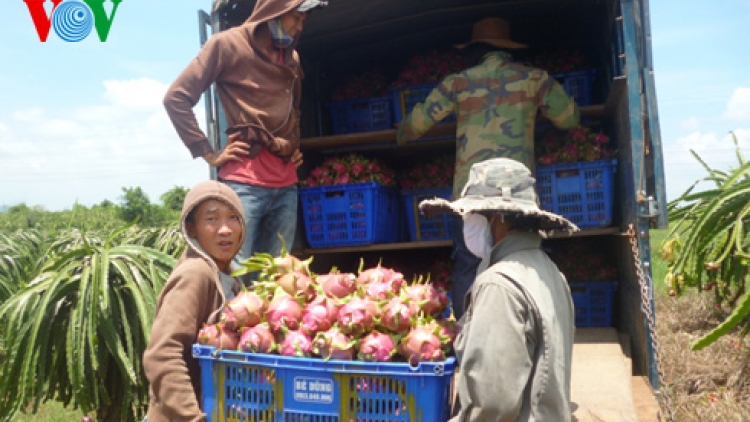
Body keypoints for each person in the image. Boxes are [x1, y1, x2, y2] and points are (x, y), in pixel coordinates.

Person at [396, 17, 581, 318]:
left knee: (469, 263)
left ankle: (467, 335)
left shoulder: (457, 83)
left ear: (476, 50)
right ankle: (530, 327)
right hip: (517, 195)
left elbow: (414, 127)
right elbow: (570, 119)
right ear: (507, 50)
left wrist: (400, 132)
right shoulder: (535, 79)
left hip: (471, 194)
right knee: (527, 260)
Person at [163, 0, 328, 274]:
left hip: (286, 182)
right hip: (244, 182)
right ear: (273, 12)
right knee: (236, 275)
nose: (300, 26)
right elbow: (176, 98)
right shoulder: (226, 45)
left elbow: (294, 109)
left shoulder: (292, 59)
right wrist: (208, 152)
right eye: (295, 17)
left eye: (303, 21)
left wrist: (293, 143)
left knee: (278, 276)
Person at [419, 157, 578, 421]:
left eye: (472, 215)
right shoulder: (550, 271)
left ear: (498, 217)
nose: (466, 223)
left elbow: (492, 405)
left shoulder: (498, 284)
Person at [143, 180, 245, 421]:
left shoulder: (230, 274)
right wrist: (192, 417)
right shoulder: (195, 273)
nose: (225, 229)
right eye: (211, 219)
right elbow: (163, 353)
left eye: (233, 217)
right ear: (191, 229)